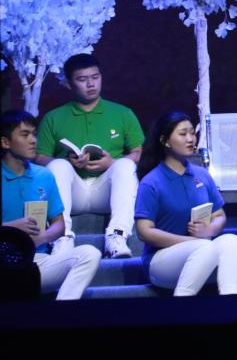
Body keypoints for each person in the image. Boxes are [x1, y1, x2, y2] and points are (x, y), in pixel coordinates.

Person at [34, 53, 144, 258]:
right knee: (58, 166)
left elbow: (137, 153)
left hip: (106, 190)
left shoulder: (122, 113)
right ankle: (62, 238)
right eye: (82, 79)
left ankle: (117, 236)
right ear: (69, 84)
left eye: (95, 77)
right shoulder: (54, 117)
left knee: (125, 165)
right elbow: (40, 158)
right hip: (72, 191)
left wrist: (111, 162)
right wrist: (68, 162)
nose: (91, 84)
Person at [135, 111, 237, 299]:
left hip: (202, 253)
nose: (190, 139)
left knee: (231, 241)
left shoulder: (202, 175)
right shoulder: (151, 182)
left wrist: (209, 229)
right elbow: (144, 232)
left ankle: (232, 302)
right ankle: (182, 308)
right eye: (183, 134)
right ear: (165, 141)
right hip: (162, 261)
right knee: (205, 248)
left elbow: (219, 215)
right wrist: (191, 241)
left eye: (192, 133)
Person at [1, 109, 100, 300]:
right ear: (5, 142)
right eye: (25, 135)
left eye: (34, 134)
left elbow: (59, 225)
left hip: (36, 260)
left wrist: (42, 237)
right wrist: (11, 230)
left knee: (89, 254)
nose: (33, 140)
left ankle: (61, 312)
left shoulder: (44, 175)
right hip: (3, 260)